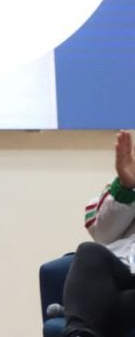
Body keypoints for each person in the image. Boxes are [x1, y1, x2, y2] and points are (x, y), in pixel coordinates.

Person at [62, 130, 135, 336]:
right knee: (90, 252)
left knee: (99, 305)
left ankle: (80, 314)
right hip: (124, 272)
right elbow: (102, 234)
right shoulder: (130, 179)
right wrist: (128, 187)